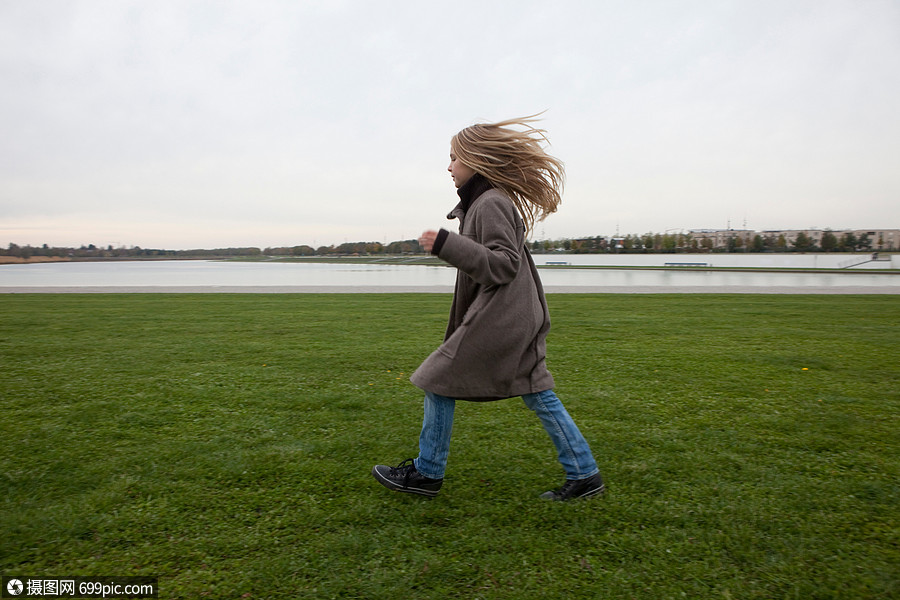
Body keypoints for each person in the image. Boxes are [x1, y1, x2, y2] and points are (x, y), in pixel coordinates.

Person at [371, 115, 604, 501]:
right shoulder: (484, 202)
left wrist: (447, 244)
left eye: (454, 158)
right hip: (513, 315)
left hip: (502, 318)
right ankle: (584, 475)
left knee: (437, 380)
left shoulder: (491, 202)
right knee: (535, 391)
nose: (448, 167)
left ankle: (428, 473)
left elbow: (502, 264)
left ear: (475, 160)